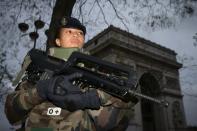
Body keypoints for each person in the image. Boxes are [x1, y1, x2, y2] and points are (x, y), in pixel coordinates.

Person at [5, 16, 138, 131]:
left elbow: (127, 104)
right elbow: (11, 114)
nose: (76, 35)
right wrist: (40, 91)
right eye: (69, 31)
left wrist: (97, 97)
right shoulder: (41, 70)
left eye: (80, 33)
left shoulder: (97, 72)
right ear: (58, 41)